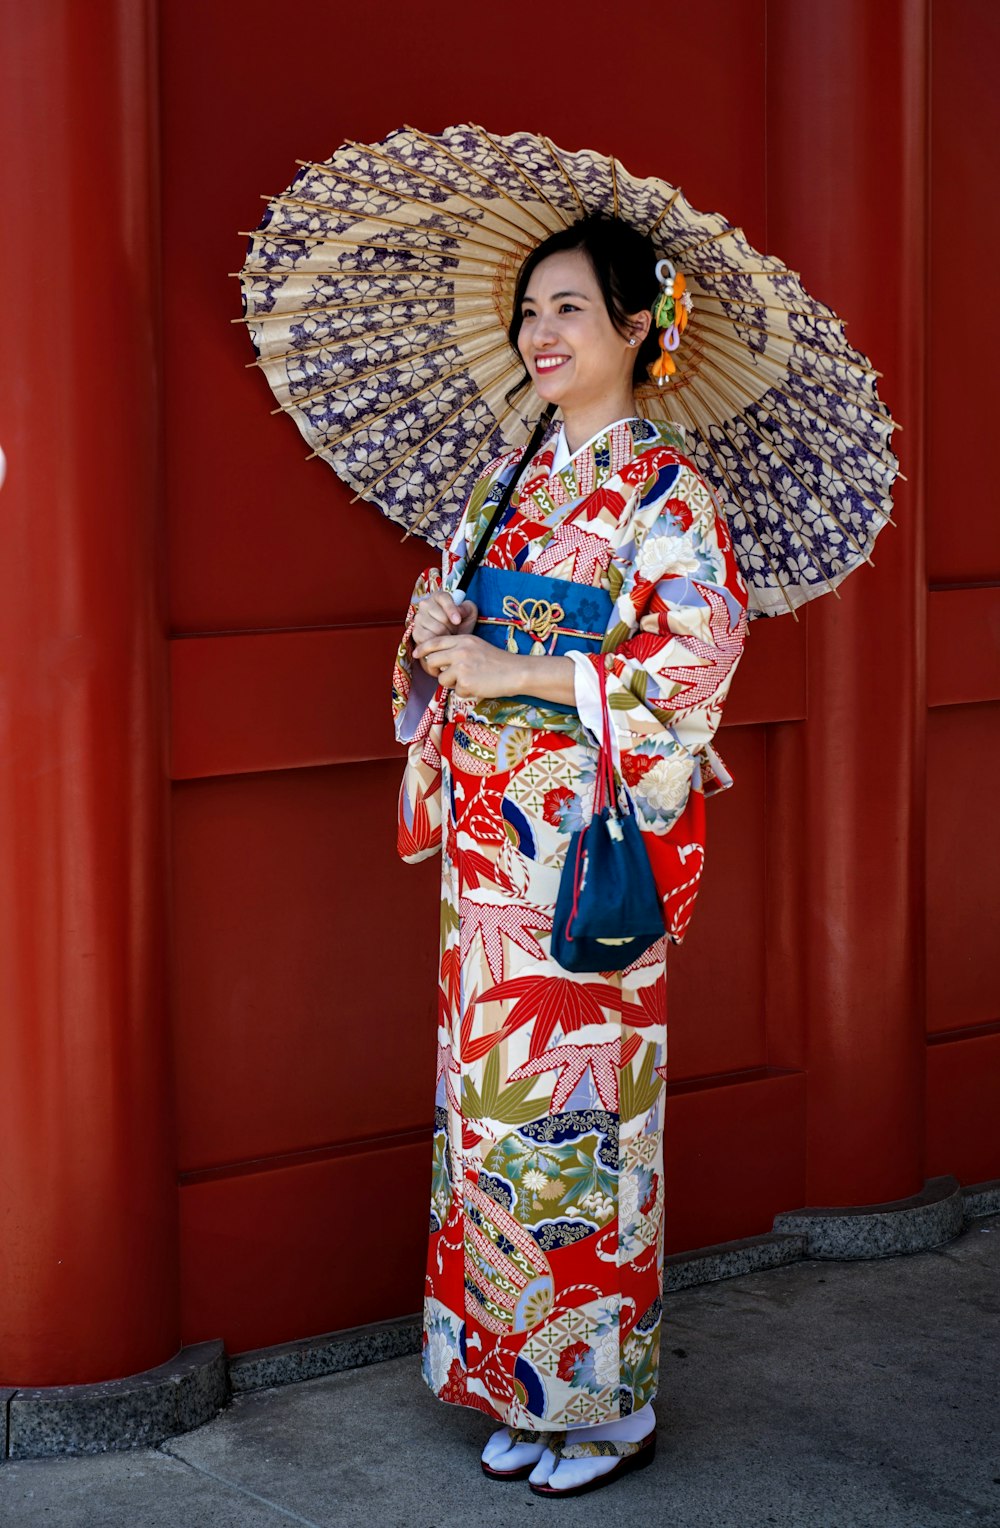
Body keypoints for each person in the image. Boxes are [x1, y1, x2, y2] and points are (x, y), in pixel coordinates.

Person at [391, 212, 749, 1499]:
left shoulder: (666, 492)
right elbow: (457, 625)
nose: (540, 335)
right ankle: (518, 1384)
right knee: (491, 1134)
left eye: (570, 311)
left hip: (590, 856)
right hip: (487, 868)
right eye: (530, 313)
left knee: (584, 1132)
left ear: (637, 328)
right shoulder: (511, 476)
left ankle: (606, 1407)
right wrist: (436, 628)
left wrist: (521, 666)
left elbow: (688, 672)